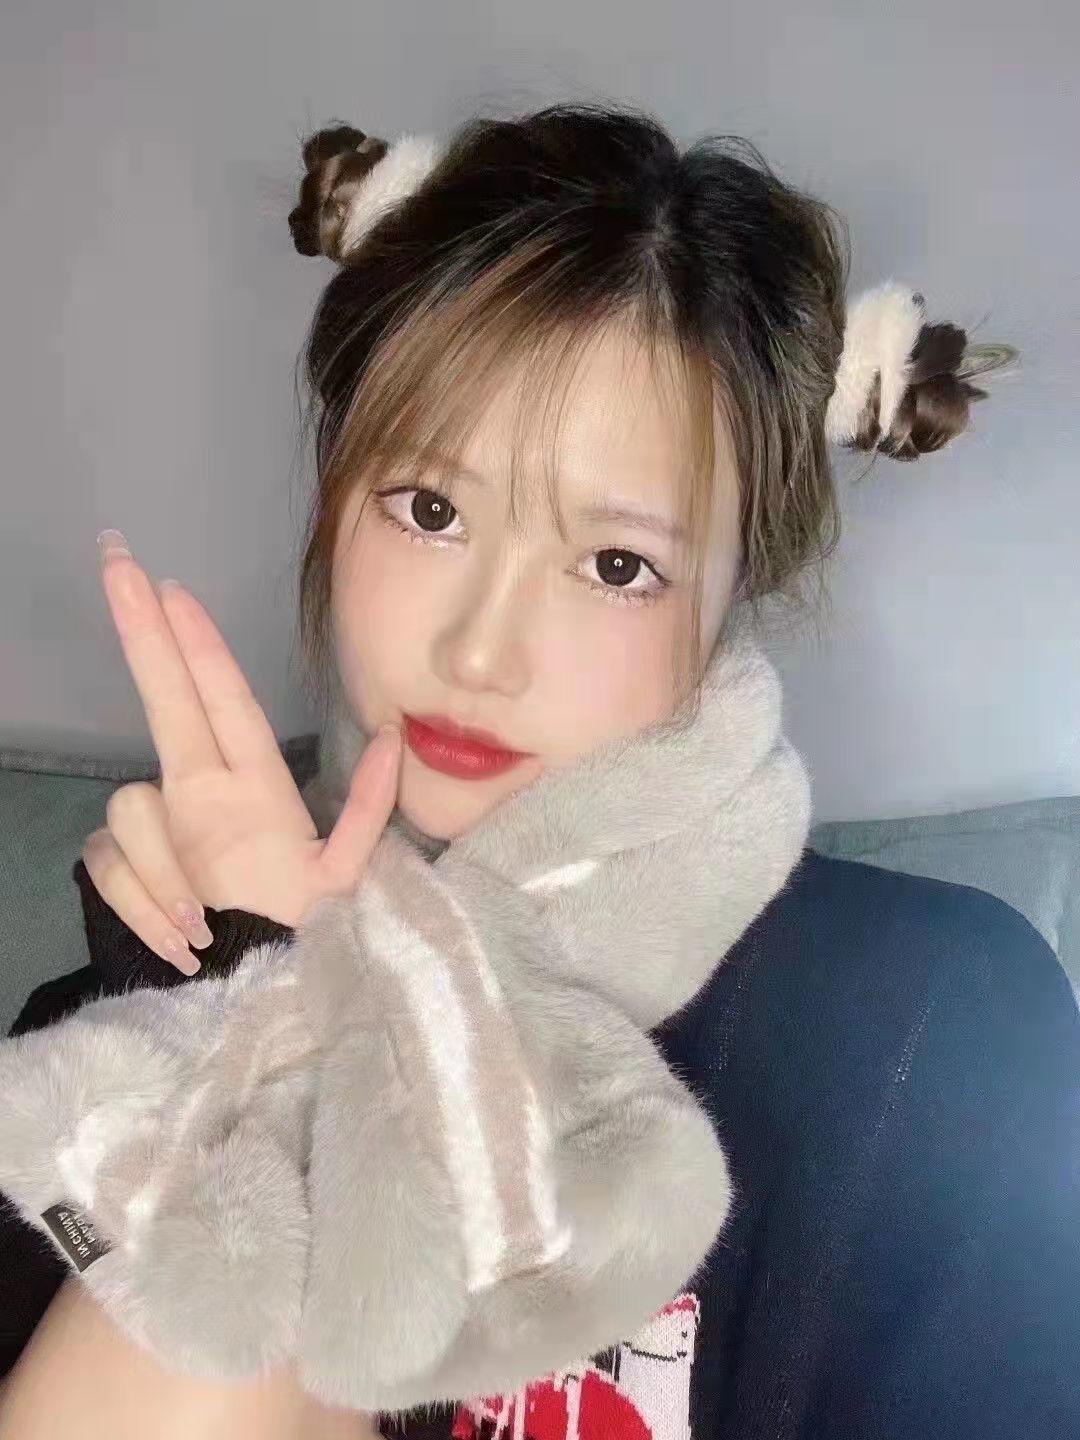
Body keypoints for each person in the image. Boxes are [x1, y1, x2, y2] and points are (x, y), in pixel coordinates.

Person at [1, 100, 1076, 1438]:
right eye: (431, 509)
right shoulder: (138, 994)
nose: (482, 652)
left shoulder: (936, 1031)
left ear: (736, 589)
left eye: (617, 565)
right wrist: (258, 1003)